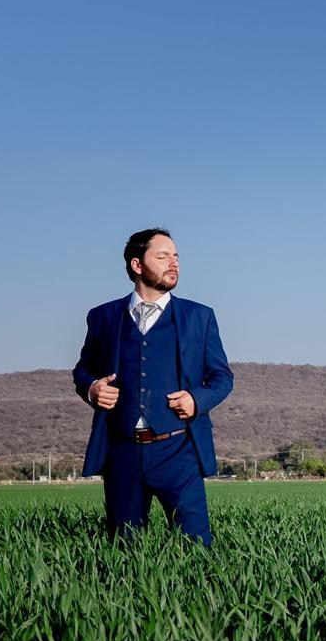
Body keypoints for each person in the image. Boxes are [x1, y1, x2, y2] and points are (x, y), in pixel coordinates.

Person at [72, 228, 233, 545]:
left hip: (178, 448)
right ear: (137, 265)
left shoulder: (199, 317)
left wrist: (196, 400)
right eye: (163, 256)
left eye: (176, 257)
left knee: (196, 547)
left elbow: (222, 377)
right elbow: (83, 369)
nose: (173, 263)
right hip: (122, 451)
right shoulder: (103, 317)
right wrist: (91, 388)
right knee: (125, 549)